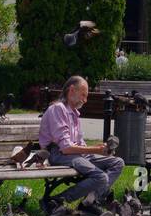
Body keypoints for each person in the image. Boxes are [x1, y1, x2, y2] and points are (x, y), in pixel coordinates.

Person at [38, 75, 125, 205]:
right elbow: (66, 148)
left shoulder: (74, 113)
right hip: (58, 154)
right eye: (83, 95)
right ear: (72, 90)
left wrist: (99, 148)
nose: (85, 100)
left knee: (118, 162)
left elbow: (79, 143)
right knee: (100, 177)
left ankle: (90, 202)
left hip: (75, 155)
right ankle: (57, 201)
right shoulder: (58, 109)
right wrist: (95, 150)